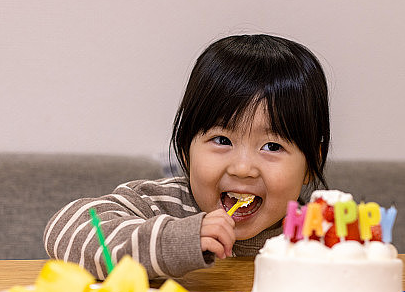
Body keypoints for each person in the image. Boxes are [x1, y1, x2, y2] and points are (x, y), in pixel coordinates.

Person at [44, 34, 331, 279]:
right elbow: (67, 229)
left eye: (272, 146)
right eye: (222, 140)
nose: (243, 168)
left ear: (311, 164)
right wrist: (174, 241)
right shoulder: (160, 206)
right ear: (185, 150)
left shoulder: (320, 233)